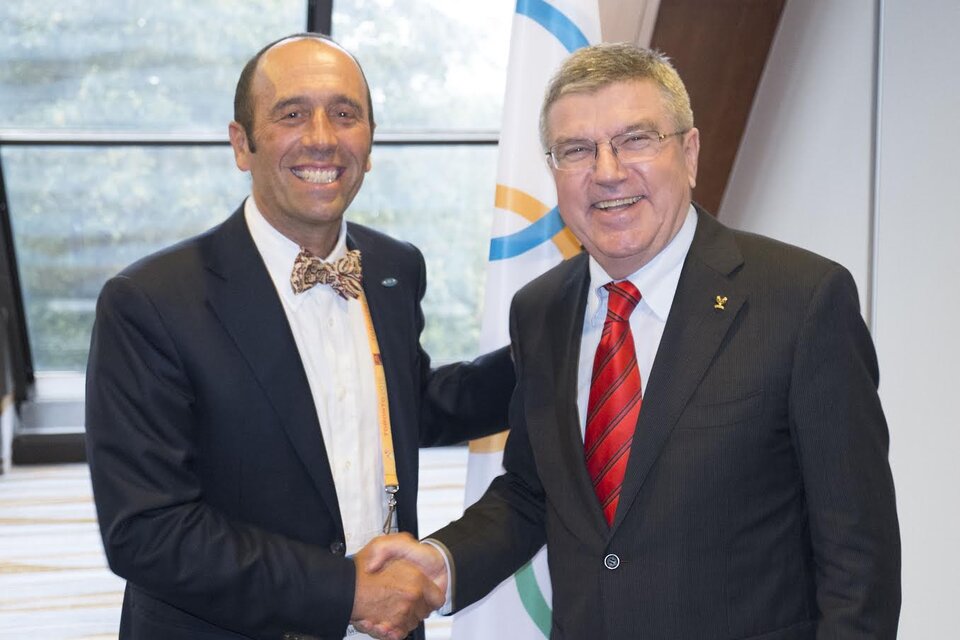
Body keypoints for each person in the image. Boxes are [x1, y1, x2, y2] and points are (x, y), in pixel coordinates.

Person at [366, 42, 901, 639]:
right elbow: (533, 490)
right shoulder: (540, 312)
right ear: (554, 171)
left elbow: (859, 557)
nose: (608, 171)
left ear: (690, 152)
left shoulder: (801, 300)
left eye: (636, 140)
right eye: (577, 150)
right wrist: (440, 562)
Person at [84, 33, 514, 640]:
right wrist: (346, 591)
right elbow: (148, 532)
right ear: (242, 143)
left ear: (369, 142)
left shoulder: (394, 267)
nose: (321, 136)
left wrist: (553, 344)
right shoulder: (150, 302)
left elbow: (407, 405)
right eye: (291, 113)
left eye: (345, 114)